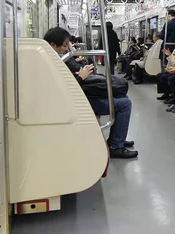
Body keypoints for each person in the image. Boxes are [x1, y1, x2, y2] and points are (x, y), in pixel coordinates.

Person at [44, 27, 137, 159]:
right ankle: (116, 147)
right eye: (64, 46)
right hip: (75, 101)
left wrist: (78, 71)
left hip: (78, 96)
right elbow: (62, 89)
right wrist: (81, 76)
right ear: (53, 45)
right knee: (125, 103)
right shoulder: (51, 61)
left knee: (122, 96)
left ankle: (117, 139)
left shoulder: (51, 57)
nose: (66, 49)